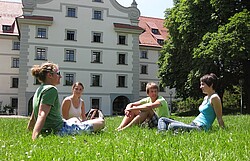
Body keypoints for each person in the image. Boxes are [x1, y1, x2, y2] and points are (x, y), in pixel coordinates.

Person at [27, 62, 105, 140]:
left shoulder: (39, 89)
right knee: (101, 122)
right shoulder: (51, 89)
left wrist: (29, 130)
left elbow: (33, 116)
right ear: (49, 75)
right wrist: (34, 137)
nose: (60, 76)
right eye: (58, 73)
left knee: (74, 119)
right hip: (59, 129)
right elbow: (41, 114)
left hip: (55, 126)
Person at [158, 73, 225, 133]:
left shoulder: (215, 98)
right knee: (162, 119)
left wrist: (223, 131)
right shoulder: (206, 98)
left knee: (172, 126)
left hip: (200, 128)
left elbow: (219, 117)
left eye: (203, 84)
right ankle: (162, 133)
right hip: (192, 124)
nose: (200, 87)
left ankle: (166, 132)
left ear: (211, 85)